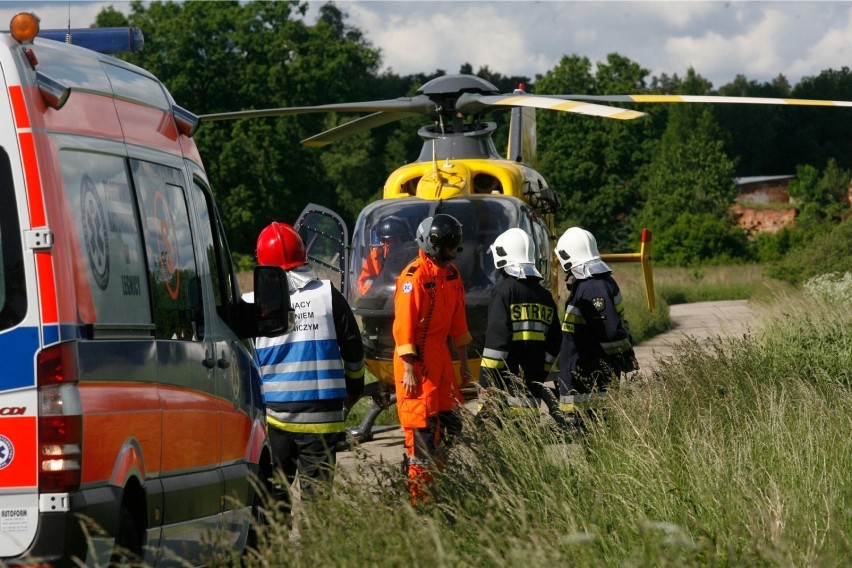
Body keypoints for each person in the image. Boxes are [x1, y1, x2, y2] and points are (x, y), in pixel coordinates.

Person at [244, 222, 365, 517]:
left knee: (273, 505)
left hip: (274, 422)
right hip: (322, 422)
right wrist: (354, 389)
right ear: (302, 258)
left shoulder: (251, 303)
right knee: (318, 506)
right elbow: (354, 349)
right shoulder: (328, 295)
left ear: (263, 265)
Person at [392, 213, 473, 505]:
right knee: (421, 434)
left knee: (451, 426)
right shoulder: (413, 278)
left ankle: (437, 486)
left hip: (441, 360)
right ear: (432, 245)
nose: (453, 253)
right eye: (449, 248)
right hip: (417, 362)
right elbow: (403, 328)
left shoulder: (451, 275)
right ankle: (420, 500)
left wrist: (462, 363)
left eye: (455, 247)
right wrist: (409, 368)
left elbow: (459, 324)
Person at [554, 227, 638, 417]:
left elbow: (609, 333)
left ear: (568, 256)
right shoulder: (595, 284)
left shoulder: (592, 287)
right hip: (585, 376)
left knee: (590, 431)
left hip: (589, 379)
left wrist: (622, 356)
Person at [478, 228, 561, 418]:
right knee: (526, 437)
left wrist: (486, 381)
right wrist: (540, 372)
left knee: (496, 438)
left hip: (502, 389)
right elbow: (555, 341)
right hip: (531, 387)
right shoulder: (545, 296)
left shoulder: (504, 292)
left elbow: (496, 344)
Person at [357, 216, 411, 295]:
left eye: (394, 240)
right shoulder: (376, 255)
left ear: (402, 240)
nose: (388, 244)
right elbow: (363, 281)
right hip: (381, 299)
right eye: (385, 241)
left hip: (405, 293)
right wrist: (371, 295)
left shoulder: (412, 255)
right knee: (369, 281)